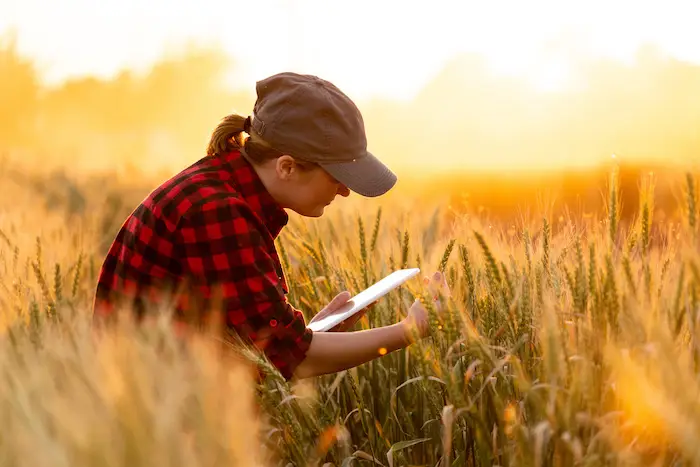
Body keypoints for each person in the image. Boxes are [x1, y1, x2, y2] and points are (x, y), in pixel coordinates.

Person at [92, 72, 445, 381]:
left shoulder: (220, 190)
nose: (345, 190)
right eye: (337, 175)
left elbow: (247, 350)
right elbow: (291, 360)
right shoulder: (218, 211)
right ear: (287, 167)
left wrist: (314, 331)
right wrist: (409, 331)